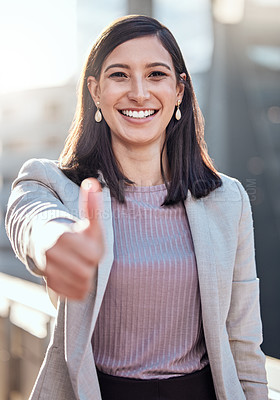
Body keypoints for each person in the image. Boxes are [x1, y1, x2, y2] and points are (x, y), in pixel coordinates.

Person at [5, 15, 268, 400]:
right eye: (120, 75)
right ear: (95, 90)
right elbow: (30, 219)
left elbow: (243, 341)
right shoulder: (55, 183)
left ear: (179, 90)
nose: (139, 93)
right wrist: (57, 241)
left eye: (156, 74)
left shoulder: (227, 199)